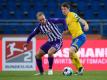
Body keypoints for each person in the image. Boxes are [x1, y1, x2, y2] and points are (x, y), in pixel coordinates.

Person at [61, 2, 89, 75]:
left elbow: (81, 20)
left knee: (71, 51)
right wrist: (63, 33)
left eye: (65, 9)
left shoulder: (72, 14)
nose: (63, 11)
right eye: (62, 9)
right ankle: (79, 70)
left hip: (80, 36)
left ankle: (80, 68)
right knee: (70, 55)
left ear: (68, 9)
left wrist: (86, 25)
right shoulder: (66, 19)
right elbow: (69, 30)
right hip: (74, 38)